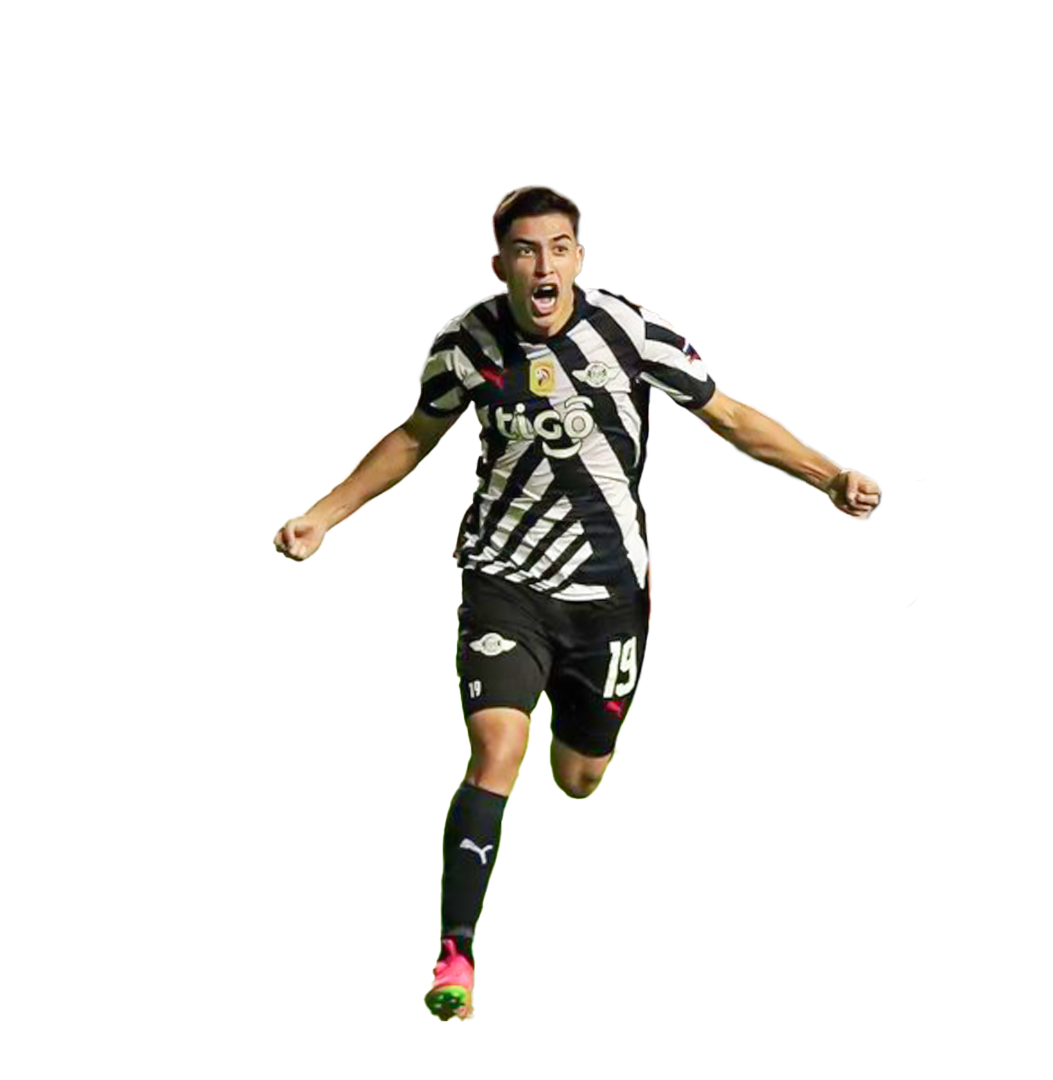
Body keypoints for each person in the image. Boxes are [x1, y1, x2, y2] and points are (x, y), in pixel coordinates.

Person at [272, 185, 882, 1021]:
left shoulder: (630, 333)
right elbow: (414, 436)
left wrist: (829, 474)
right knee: (496, 750)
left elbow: (731, 416)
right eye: (526, 250)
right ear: (501, 265)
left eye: (558, 248)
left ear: (578, 259)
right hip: (505, 578)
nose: (544, 265)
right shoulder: (467, 343)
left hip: (607, 594)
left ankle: (584, 740)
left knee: (580, 775)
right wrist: (321, 515)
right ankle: (456, 953)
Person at [819, 194, 962, 817]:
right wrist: (834, 414)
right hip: (911, 492)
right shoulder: (903, 312)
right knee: (891, 635)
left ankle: (967, 715)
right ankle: (857, 756)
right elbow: (851, 377)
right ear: (955, 242)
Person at [617, 255, 764, 756]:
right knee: (645, 606)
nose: (640, 296)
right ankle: (647, 729)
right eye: (636, 288)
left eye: (649, 287)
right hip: (646, 485)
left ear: (676, 292)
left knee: (719, 601)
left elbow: (747, 412)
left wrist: (693, 438)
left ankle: (747, 725)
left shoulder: (712, 344)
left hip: (699, 480)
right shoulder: (624, 348)